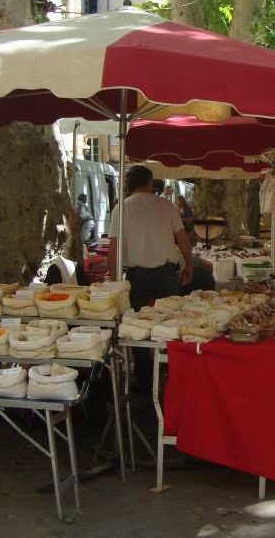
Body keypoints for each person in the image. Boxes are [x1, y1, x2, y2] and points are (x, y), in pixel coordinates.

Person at [107, 165, 193, 391]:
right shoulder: (166, 206)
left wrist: (114, 280)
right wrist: (189, 265)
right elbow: (183, 240)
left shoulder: (121, 209)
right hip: (166, 273)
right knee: (173, 325)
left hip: (138, 276)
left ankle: (145, 379)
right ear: (149, 181)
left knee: (138, 329)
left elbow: (113, 248)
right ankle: (175, 372)